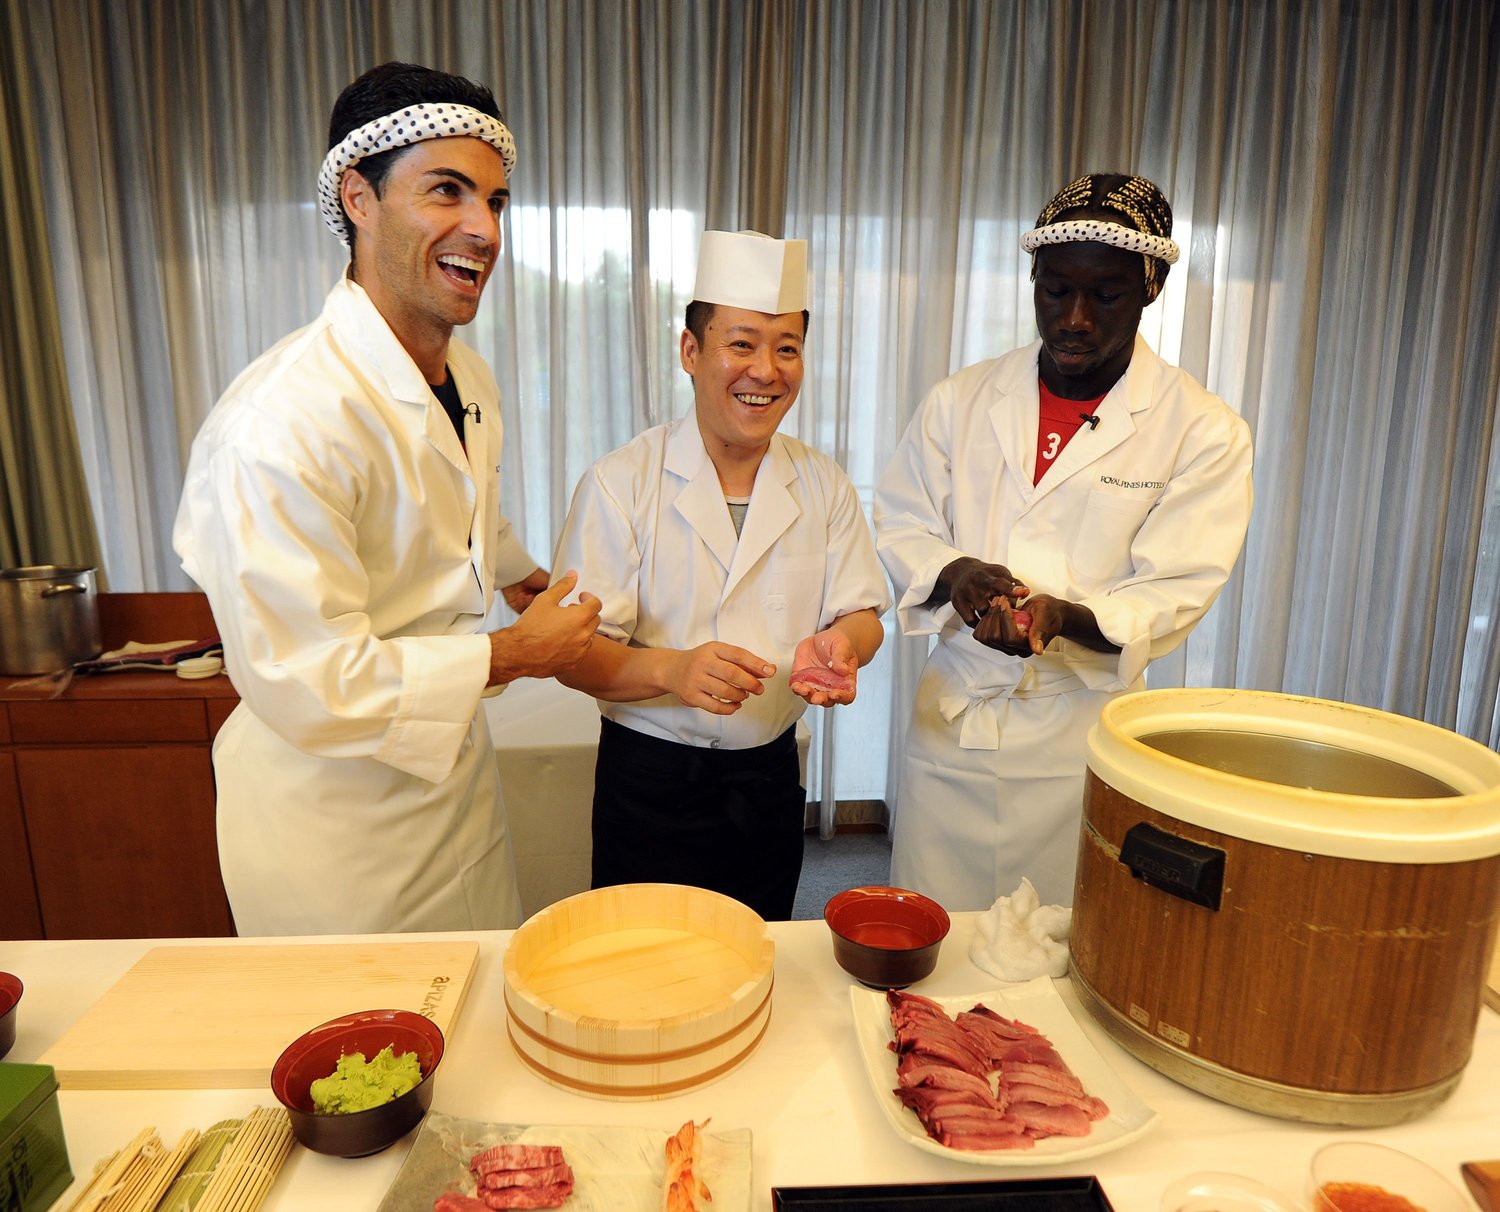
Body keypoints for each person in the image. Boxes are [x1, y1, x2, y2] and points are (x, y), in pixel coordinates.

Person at [173, 62, 601, 935]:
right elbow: (312, 679)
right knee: (368, 1056)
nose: (482, 229)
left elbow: (463, 502)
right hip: (334, 832)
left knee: (475, 1020)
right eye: (447, 191)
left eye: (496, 201)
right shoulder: (281, 422)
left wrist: (520, 575)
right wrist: (514, 654)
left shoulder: (466, 374)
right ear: (357, 198)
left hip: (451, 790)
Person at [874, 172, 1253, 910]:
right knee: (934, 941)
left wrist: (1064, 617)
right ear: (1032, 280)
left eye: (1105, 295)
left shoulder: (1201, 429)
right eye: (1055, 291)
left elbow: (1177, 586)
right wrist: (956, 573)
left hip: (1077, 731)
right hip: (957, 718)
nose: (1074, 317)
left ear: (1150, 289)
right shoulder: (961, 400)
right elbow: (902, 520)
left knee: (1062, 949)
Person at [551, 230, 891, 921]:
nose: (765, 370)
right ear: (690, 350)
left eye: (786, 348)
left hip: (767, 779)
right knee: (641, 972)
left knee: (759, 961)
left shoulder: (822, 483)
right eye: (740, 344)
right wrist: (672, 673)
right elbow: (570, 653)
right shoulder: (621, 483)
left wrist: (844, 645)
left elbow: (860, 612)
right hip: (649, 782)